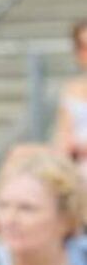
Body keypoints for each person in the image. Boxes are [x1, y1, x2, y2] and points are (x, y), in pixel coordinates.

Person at [54, 19, 87, 176]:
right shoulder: (70, 89)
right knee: (18, 154)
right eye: (83, 47)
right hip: (73, 158)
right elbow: (62, 133)